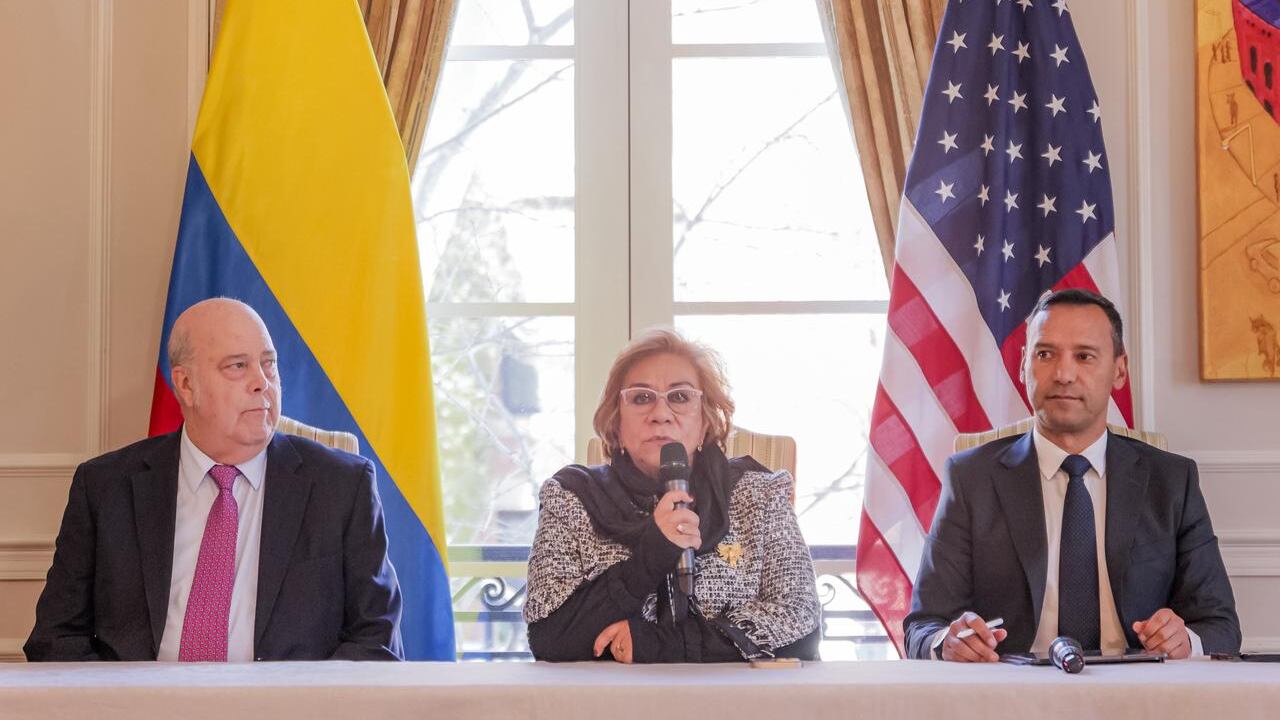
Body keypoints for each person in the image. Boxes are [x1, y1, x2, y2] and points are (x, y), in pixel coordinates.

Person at [25, 298, 403, 661]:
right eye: (237, 366)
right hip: (141, 699)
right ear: (186, 385)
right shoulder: (105, 487)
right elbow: (56, 639)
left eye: (268, 364)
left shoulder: (342, 487)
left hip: (287, 700)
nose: (262, 382)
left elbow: (377, 642)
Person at [904, 289, 1240, 661]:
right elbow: (923, 627)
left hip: (1138, 685)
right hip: (1013, 686)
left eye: (1084, 356)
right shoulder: (971, 479)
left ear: (1119, 370)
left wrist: (1185, 640)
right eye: (1045, 354)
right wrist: (948, 643)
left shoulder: (1172, 480)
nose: (1063, 375)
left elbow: (1221, 626)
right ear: (1023, 364)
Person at [524, 328, 821, 663]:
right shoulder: (571, 497)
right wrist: (651, 555)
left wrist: (660, 645)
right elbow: (549, 637)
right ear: (616, 422)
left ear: (706, 421)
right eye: (641, 398)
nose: (661, 414)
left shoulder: (760, 494)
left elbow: (802, 626)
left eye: (680, 397)